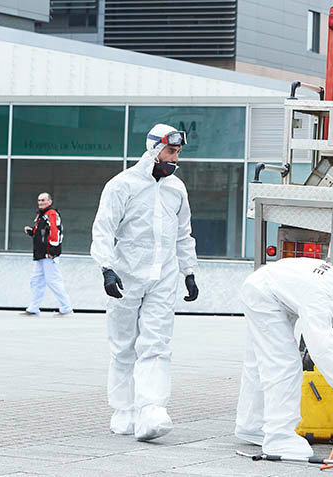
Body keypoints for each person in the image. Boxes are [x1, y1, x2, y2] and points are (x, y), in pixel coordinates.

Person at [90, 123, 200, 442]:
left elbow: (183, 233)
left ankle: (151, 409)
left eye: (178, 152)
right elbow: (103, 229)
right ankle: (123, 410)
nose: (175, 158)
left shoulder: (176, 189)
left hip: (163, 276)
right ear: (153, 149)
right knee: (124, 345)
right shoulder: (122, 185)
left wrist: (188, 272)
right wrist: (106, 268)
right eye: (170, 151)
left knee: (157, 343)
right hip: (126, 275)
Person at [234, 257, 333, 459]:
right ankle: (280, 438)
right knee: (283, 364)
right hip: (264, 295)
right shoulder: (321, 298)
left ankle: (251, 426)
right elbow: (322, 350)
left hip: (272, 288)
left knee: (259, 362)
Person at [22, 192, 72, 316]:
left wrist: (53, 251)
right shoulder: (41, 215)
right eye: (39, 200)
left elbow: (55, 232)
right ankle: (33, 308)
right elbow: (42, 232)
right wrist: (31, 232)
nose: (41, 202)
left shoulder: (51, 214)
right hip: (40, 254)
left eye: (43, 200)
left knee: (53, 280)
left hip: (48, 254)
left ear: (50, 201)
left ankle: (66, 308)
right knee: (36, 280)